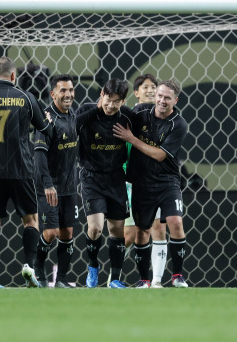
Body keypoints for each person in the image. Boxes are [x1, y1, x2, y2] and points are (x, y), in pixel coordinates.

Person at [0, 56, 52, 287]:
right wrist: (46, 120)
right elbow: (45, 129)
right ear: (13, 76)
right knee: (31, 220)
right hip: (21, 169)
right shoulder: (27, 98)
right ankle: (29, 266)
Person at [113, 79, 189, 288]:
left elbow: (160, 155)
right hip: (141, 182)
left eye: (167, 98)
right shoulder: (139, 114)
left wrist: (132, 139)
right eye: (160, 96)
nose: (162, 101)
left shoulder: (179, 124)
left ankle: (177, 276)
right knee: (141, 231)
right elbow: (115, 111)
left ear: (175, 100)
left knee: (175, 222)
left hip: (168, 181)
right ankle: (144, 280)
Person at [76, 79, 133, 288]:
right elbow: (71, 125)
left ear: (123, 101)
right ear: (102, 95)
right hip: (91, 177)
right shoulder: (87, 111)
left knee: (117, 230)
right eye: (108, 100)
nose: (111, 106)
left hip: (116, 177)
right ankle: (92, 268)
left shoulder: (127, 116)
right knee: (96, 228)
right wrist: (97, 110)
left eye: (116, 102)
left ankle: (115, 279)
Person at [123, 74, 169, 288]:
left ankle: (156, 281)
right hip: (132, 182)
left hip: (157, 181)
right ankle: (114, 277)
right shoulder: (130, 117)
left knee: (159, 228)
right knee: (130, 235)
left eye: (154, 87)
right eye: (146, 87)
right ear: (136, 92)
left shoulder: (165, 118)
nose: (151, 90)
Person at [33, 74, 78, 288]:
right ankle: (38, 269)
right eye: (63, 90)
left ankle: (60, 279)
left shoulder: (73, 117)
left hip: (69, 187)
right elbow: (39, 156)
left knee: (67, 233)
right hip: (49, 187)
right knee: (50, 232)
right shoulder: (46, 119)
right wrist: (48, 184)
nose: (68, 94)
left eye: (70, 90)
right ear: (53, 94)